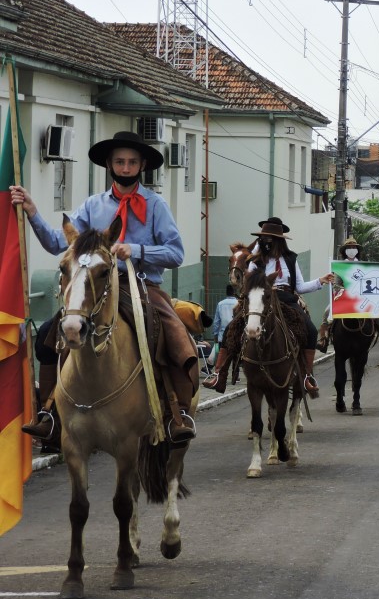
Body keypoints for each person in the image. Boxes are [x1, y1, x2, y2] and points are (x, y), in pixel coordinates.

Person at [11, 130, 198, 443]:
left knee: (172, 332)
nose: (125, 168)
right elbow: (59, 243)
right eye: (120, 162)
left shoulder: (156, 205)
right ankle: (49, 413)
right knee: (48, 334)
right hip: (95, 286)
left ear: (141, 167)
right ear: (110, 165)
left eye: (132, 163)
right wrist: (32, 212)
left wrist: (134, 250)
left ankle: (177, 412)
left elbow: (176, 253)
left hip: (141, 284)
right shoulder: (92, 205)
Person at [204, 217, 331, 398]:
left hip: (287, 300)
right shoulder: (255, 261)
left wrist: (321, 281)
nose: (266, 242)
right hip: (260, 300)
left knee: (310, 330)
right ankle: (219, 374)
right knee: (231, 329)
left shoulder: (291, 259)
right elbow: (248, 283)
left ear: (278, 241)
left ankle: (306, 376)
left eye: (270, 239)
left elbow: (300, 287)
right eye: (263, 239)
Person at [331, 236, 379, 351]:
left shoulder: (363, 265)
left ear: (357, 250)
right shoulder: (339, 267)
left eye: (353, 247)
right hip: (344, 298)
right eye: (349, 247)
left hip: (362, 299)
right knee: (327, 313)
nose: (351, 249)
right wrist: (343, 291)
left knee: (377, 314)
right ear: (345, 250)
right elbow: (336, 284)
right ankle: (324, 338)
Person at [211, 285, 239, 358]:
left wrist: (215, 336)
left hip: (222, 337)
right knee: (235, 361)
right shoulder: (239, 303)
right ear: (235, 292)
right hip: (236, 337)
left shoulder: (220, 304)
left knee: (222, 360)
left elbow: (216, 322)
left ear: (226, 292)